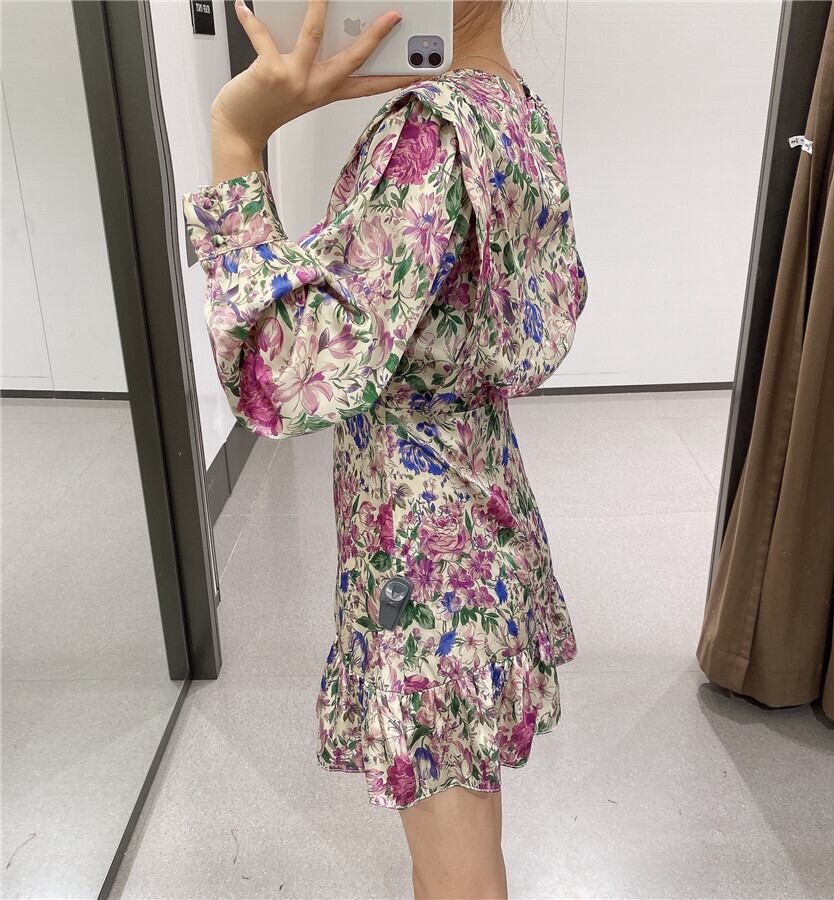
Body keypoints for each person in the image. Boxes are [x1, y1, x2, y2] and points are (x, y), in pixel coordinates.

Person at [181, 1, 587, 896]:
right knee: (458, 845)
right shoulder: (509, 104)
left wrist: (238, 138)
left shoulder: (428, 136)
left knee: (458, 870)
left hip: (424, 553)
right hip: (480, 504)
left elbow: (291, 372)